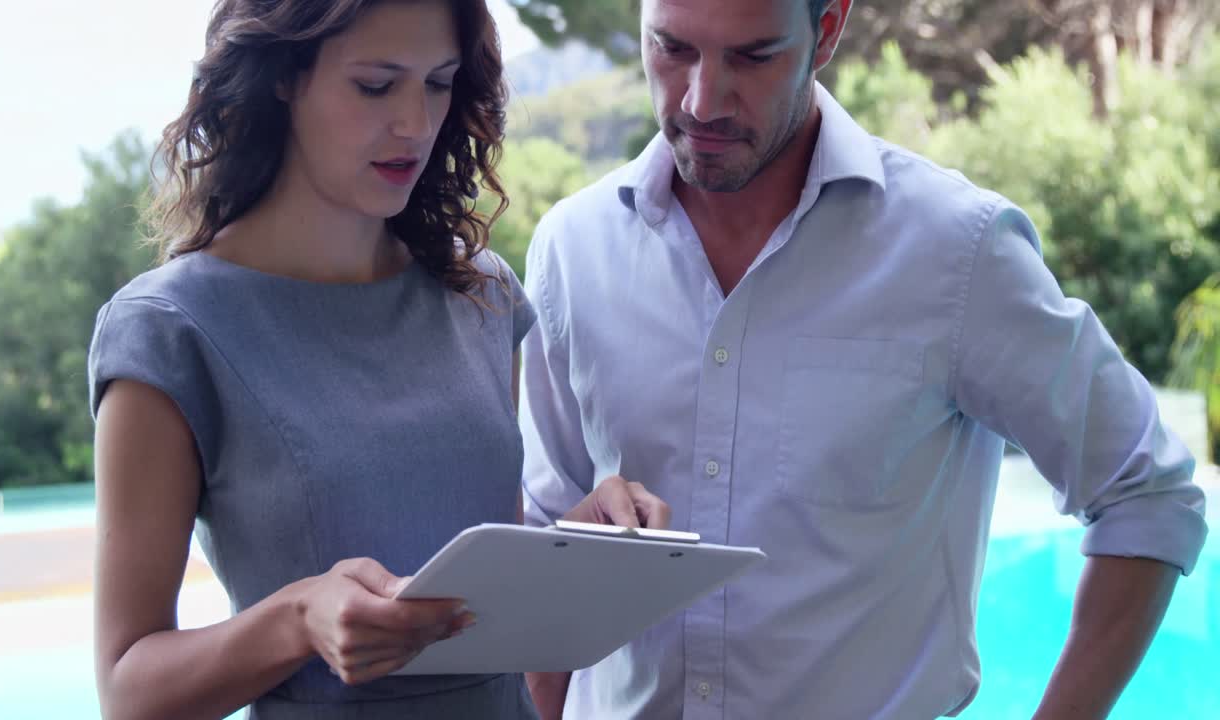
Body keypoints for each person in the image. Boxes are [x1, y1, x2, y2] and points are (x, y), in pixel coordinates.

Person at [518, 1, 1210, 718]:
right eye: (671, 48)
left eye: (752, 57)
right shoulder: (572, 249)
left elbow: (1147, 493)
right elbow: (539, 542)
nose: (701, 100)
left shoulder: (957, 251)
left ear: (828, 29)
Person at [87, 1, 668, 718]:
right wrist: (299, 619)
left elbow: (477, 582)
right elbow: (125, 690)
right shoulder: (168, 332)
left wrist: (586, 542)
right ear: (281, 78)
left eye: (438, 82)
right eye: (375, 85)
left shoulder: (481, 294)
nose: (416, 125)